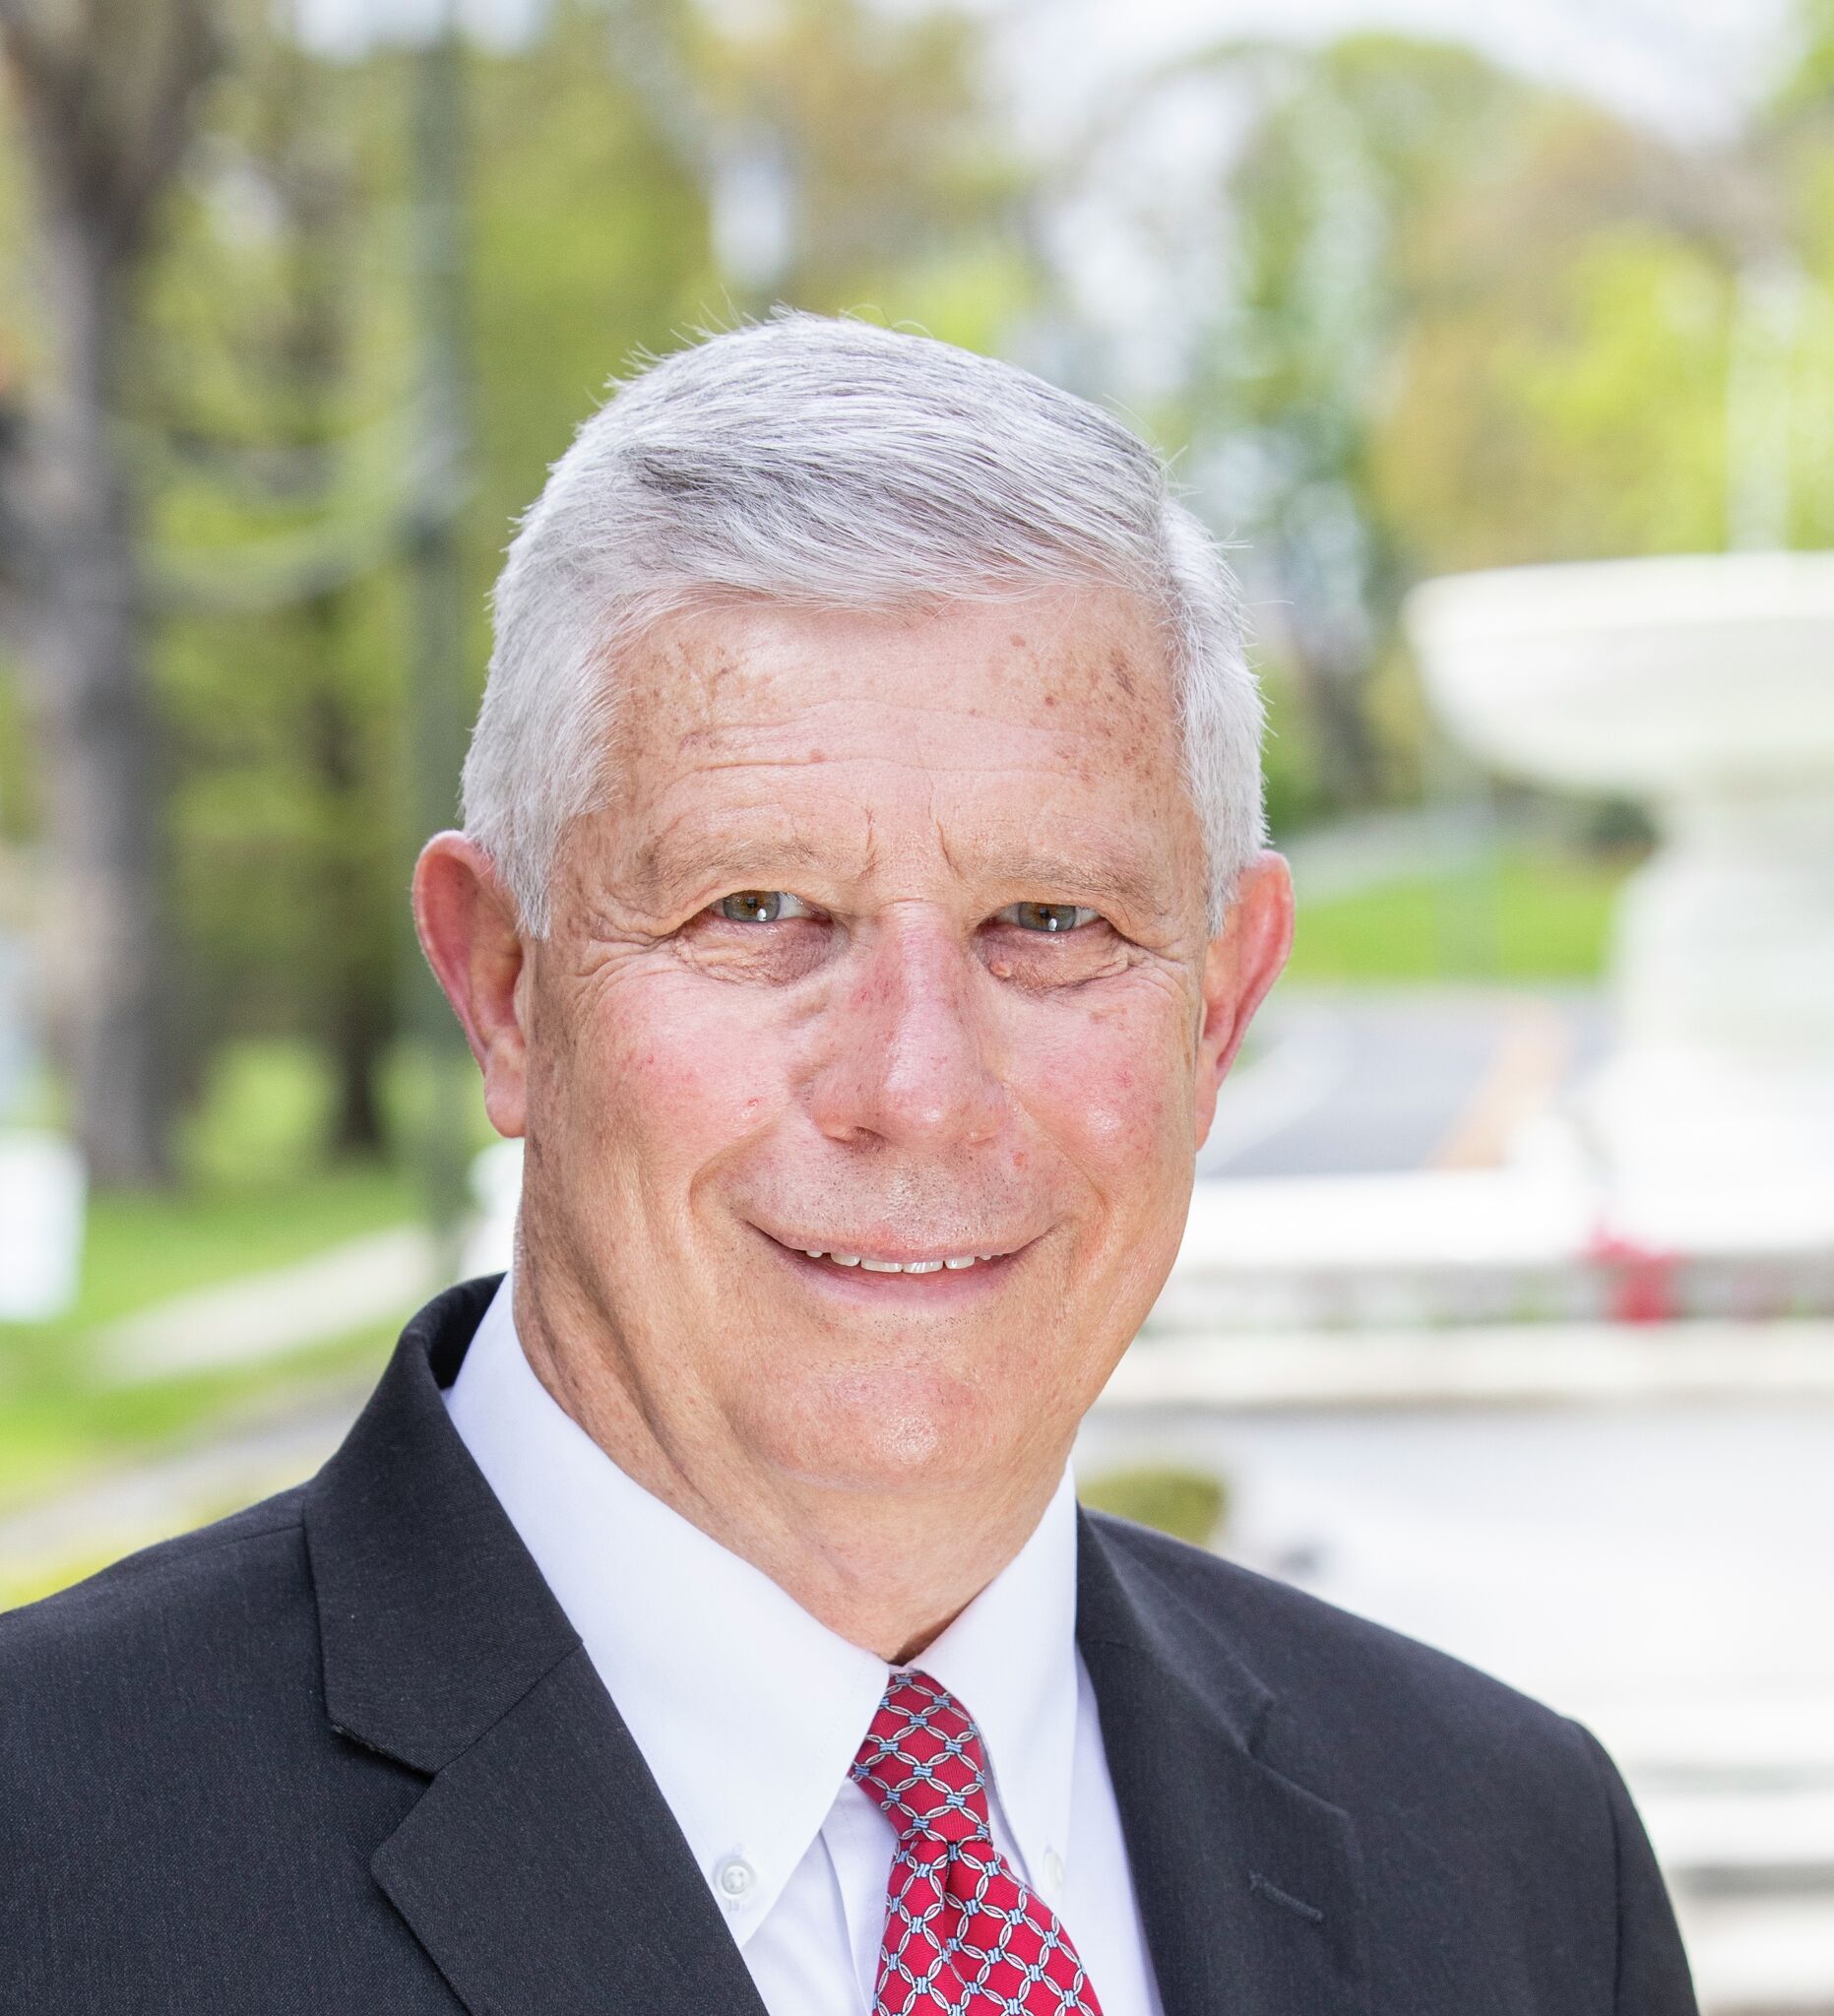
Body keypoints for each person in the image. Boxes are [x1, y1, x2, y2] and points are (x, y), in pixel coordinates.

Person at [0, 313, 1695, 2016]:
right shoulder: (44, 1858)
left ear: (1221, 1005)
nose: (919, 1089)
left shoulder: (1519, 1866)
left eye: (1052, 920)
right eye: (758, 909)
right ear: (504, 984)